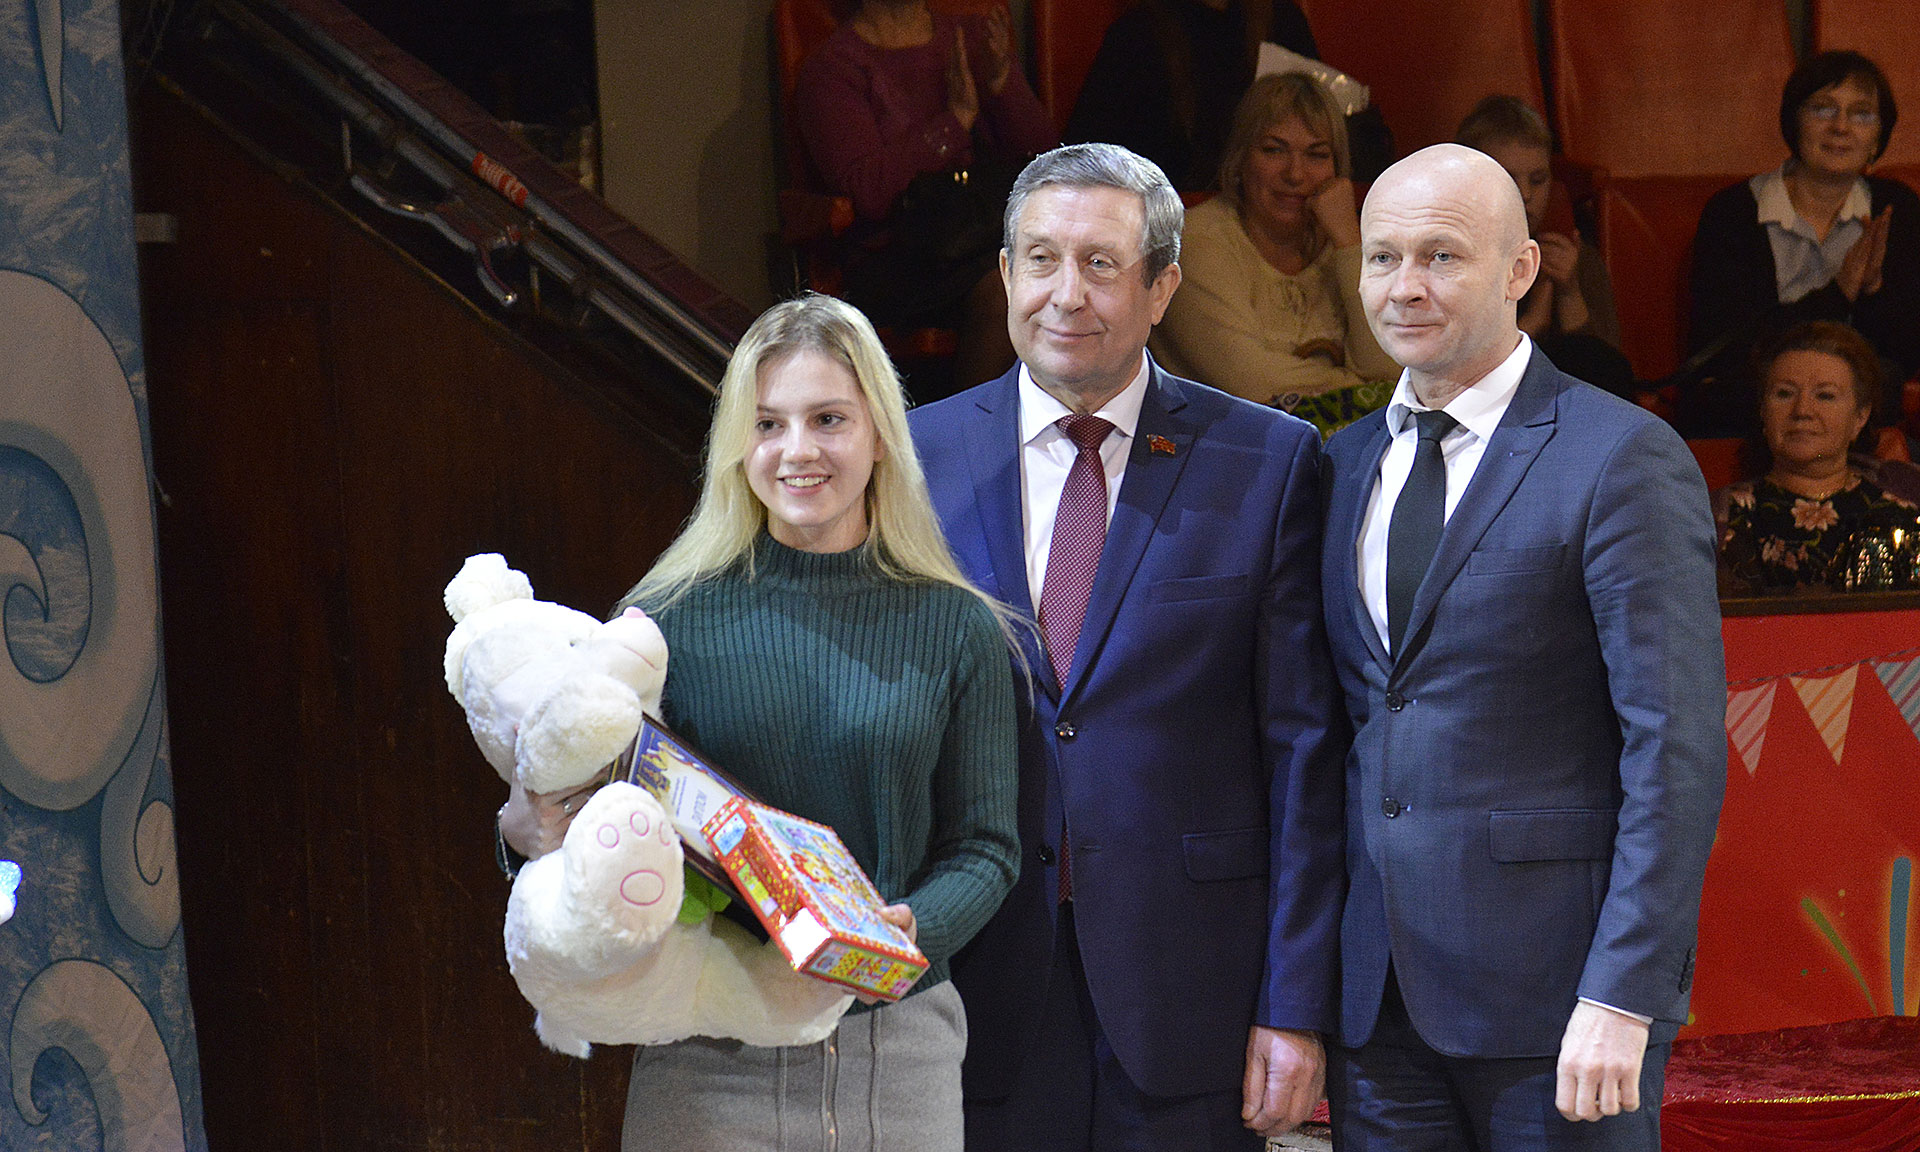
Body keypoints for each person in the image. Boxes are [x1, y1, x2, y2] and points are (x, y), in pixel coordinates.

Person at [499, 294, 1022, 1151]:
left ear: (881, 436)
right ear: (738, 446)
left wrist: (911, 929)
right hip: (708, 1055)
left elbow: (986, 847)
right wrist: (524, 833)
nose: (797, 450)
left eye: (828, 419)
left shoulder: (956, 625)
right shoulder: (662, 621)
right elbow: (586, 822)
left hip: (897, 1054)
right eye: (768, 424)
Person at [908, 142, 1344, 1151]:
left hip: (1193, 995)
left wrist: (1294, 1004)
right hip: (974, 987)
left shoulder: (1269, 461)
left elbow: (1303, 753)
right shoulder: (913, 456)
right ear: (1006, 273)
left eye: (1101, 264)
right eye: (1041, 259)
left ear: (1162, 289)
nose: (1067, 294)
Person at [1320, 144, 1726, 1149]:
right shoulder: (1337, 465)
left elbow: (1674, 748)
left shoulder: (1621, 456)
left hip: (1561, 1003)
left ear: (1521, 270)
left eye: (1442, 256)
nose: (1405, 286)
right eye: (1382, 258)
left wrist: (1626, 991)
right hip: (1374, 1009)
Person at [795, 0, 1056, 394]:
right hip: (900, 254)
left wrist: (1002, 83)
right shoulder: (834, 67)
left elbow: (1048, 161)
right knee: (1010, 287)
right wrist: (954, 122)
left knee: (1093, 273)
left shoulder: (967, 37)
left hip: (986, 231)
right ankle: (971, 431)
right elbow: (868, 190)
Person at [1687, 50, 1920, 438]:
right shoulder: (1734, 211)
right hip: (1756, 401)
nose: (1841, 127)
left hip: (1858, 412)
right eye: (1823, 109)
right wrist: (1839, 293)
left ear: (1878, 137)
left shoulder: (1897, 208)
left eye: (1862, 114)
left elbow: (1904, 355)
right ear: (1794, 122)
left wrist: (1874, 288)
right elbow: (1729, 349)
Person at [1151, 71, 1399, 436]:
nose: (1295, 174)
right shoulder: (1194, 243)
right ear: (1240, 160)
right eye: (1273, 150)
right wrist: (1367, 392)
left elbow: (1393, 366)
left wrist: (1349, 245)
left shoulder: (1349, 244)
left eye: (1317, 155)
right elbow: (1252, 385)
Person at [1064, 0, 1391, 191]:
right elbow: (1087, 162)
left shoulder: (1281, 20)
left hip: (1282, 216)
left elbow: (1320, 129)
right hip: (1180, 221)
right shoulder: (1137, 35)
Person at [1716, 320, 1920, 594]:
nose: (1802, 411)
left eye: (1825, 396)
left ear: (1860, 416)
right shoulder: (1717, 517)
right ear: (1763, 411)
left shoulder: (1907, 503)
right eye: (1784, 394)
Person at [1455, 94, 1635, 399]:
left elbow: (1608, 369)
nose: (1525, 194)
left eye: (1538, 180)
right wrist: (1534, 320)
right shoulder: (1452, 262)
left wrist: (1568, 291)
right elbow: (1465, 374)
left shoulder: (1572, 254)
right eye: (1508, 178)